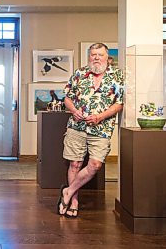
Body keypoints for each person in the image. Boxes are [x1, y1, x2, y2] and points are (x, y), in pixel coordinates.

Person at [58, 42, 124, 218]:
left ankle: (68, 191)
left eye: (100, 55)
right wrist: (74, 111)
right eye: (93, 54)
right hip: (76, 126)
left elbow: (119, 103)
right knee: (75, 164)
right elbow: (67, 98)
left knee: (95, 165)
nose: (96, 58)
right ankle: (74, 202)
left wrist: (100, 116)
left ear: (107, 57)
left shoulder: (117, 76)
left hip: (101, 129)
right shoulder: (79, 74)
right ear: (89, 56)